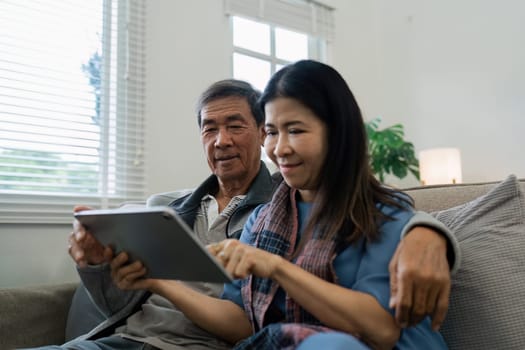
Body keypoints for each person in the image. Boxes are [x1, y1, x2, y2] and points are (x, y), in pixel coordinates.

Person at [30, 78, 455, 350]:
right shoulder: (255, 218)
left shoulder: (367, 210)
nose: (280, 147)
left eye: (237, 126)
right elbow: (236, 321)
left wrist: (430, 233)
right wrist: (125, 273)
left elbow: (381, 327)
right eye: (274, 131)